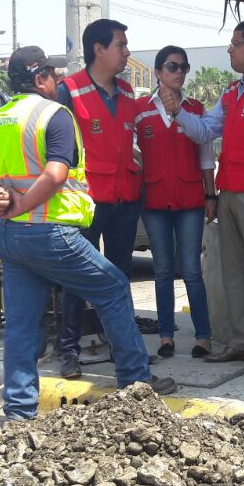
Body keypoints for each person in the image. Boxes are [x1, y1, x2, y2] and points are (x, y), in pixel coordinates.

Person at [0, 46, 175, 422]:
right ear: (40, 79)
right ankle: (136, 384)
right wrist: (20, 206)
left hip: (10, 236)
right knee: (113, 287)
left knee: (21, 322)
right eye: (52, 75)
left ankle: (19, 413)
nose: (58, 81)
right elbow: (55, 175)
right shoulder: (55, 114)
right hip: (49, 233)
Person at [163, 20, 244, 378]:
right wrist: (177, 113)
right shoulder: (233, 92)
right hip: (229, 191)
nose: (230, 50)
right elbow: (206, 130)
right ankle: (240, 342)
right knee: (235, 272)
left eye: (236, 43)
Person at [55, 19, 143, 380]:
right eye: (121, 45)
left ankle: (121, 345)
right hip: (86, 203)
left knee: (120, 277)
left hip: (125, 198)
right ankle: (69, 351)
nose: (126, 52)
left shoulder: (127, 91)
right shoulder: (69, 91)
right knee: (79, 279)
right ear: (99, 50)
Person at [134, 46, 215, 360]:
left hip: (191, 199)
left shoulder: (196, 108)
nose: (179, 72)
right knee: (163, 270)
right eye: (172, 66)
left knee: (192, 270)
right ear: (157, 72)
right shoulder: (140, 110)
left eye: (184, 67)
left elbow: (207, 156)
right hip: (154, 200)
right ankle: (166, 335)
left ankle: (203, 336)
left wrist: (211, 196)